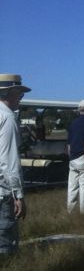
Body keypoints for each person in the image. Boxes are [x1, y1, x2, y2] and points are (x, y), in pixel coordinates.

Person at [0, 74, 29, 255]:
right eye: (19, 93)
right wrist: (18, 195)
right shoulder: (8, 118)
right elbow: (8, 161)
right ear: (10, 93)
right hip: (3, 192)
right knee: (5, 245)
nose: (20, 98)